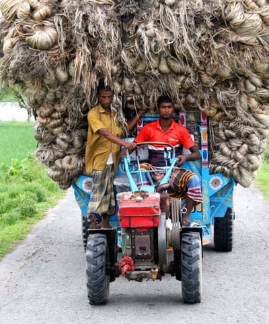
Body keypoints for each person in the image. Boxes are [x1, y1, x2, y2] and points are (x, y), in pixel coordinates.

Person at [134, 95, 202, 226]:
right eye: (163, 107)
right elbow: (134, 145)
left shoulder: (180, 130)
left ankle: (186, 217)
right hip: (153, 170)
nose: (166, 110)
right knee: (141, 169)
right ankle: (145, 209)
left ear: (173, 109)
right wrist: (125, 150)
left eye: (169, 107)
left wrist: (186, 157)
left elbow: (197, 154)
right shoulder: (149, 129)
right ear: (158, 109)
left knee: (194, 180)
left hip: (173, 171)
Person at [85, 84, 144, 228]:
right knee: (98, 190)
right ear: (98, 97)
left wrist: (140, 113)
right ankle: (93, 222)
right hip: (100, 159)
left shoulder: (114, 114)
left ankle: (105, 226)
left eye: (109, 97)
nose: (106, 100)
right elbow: (104, 133)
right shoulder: (93, 114)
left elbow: (124, 129)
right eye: (104, 97)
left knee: (109, 193)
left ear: (113, 97)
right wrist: (124, 144)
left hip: (114, 160)